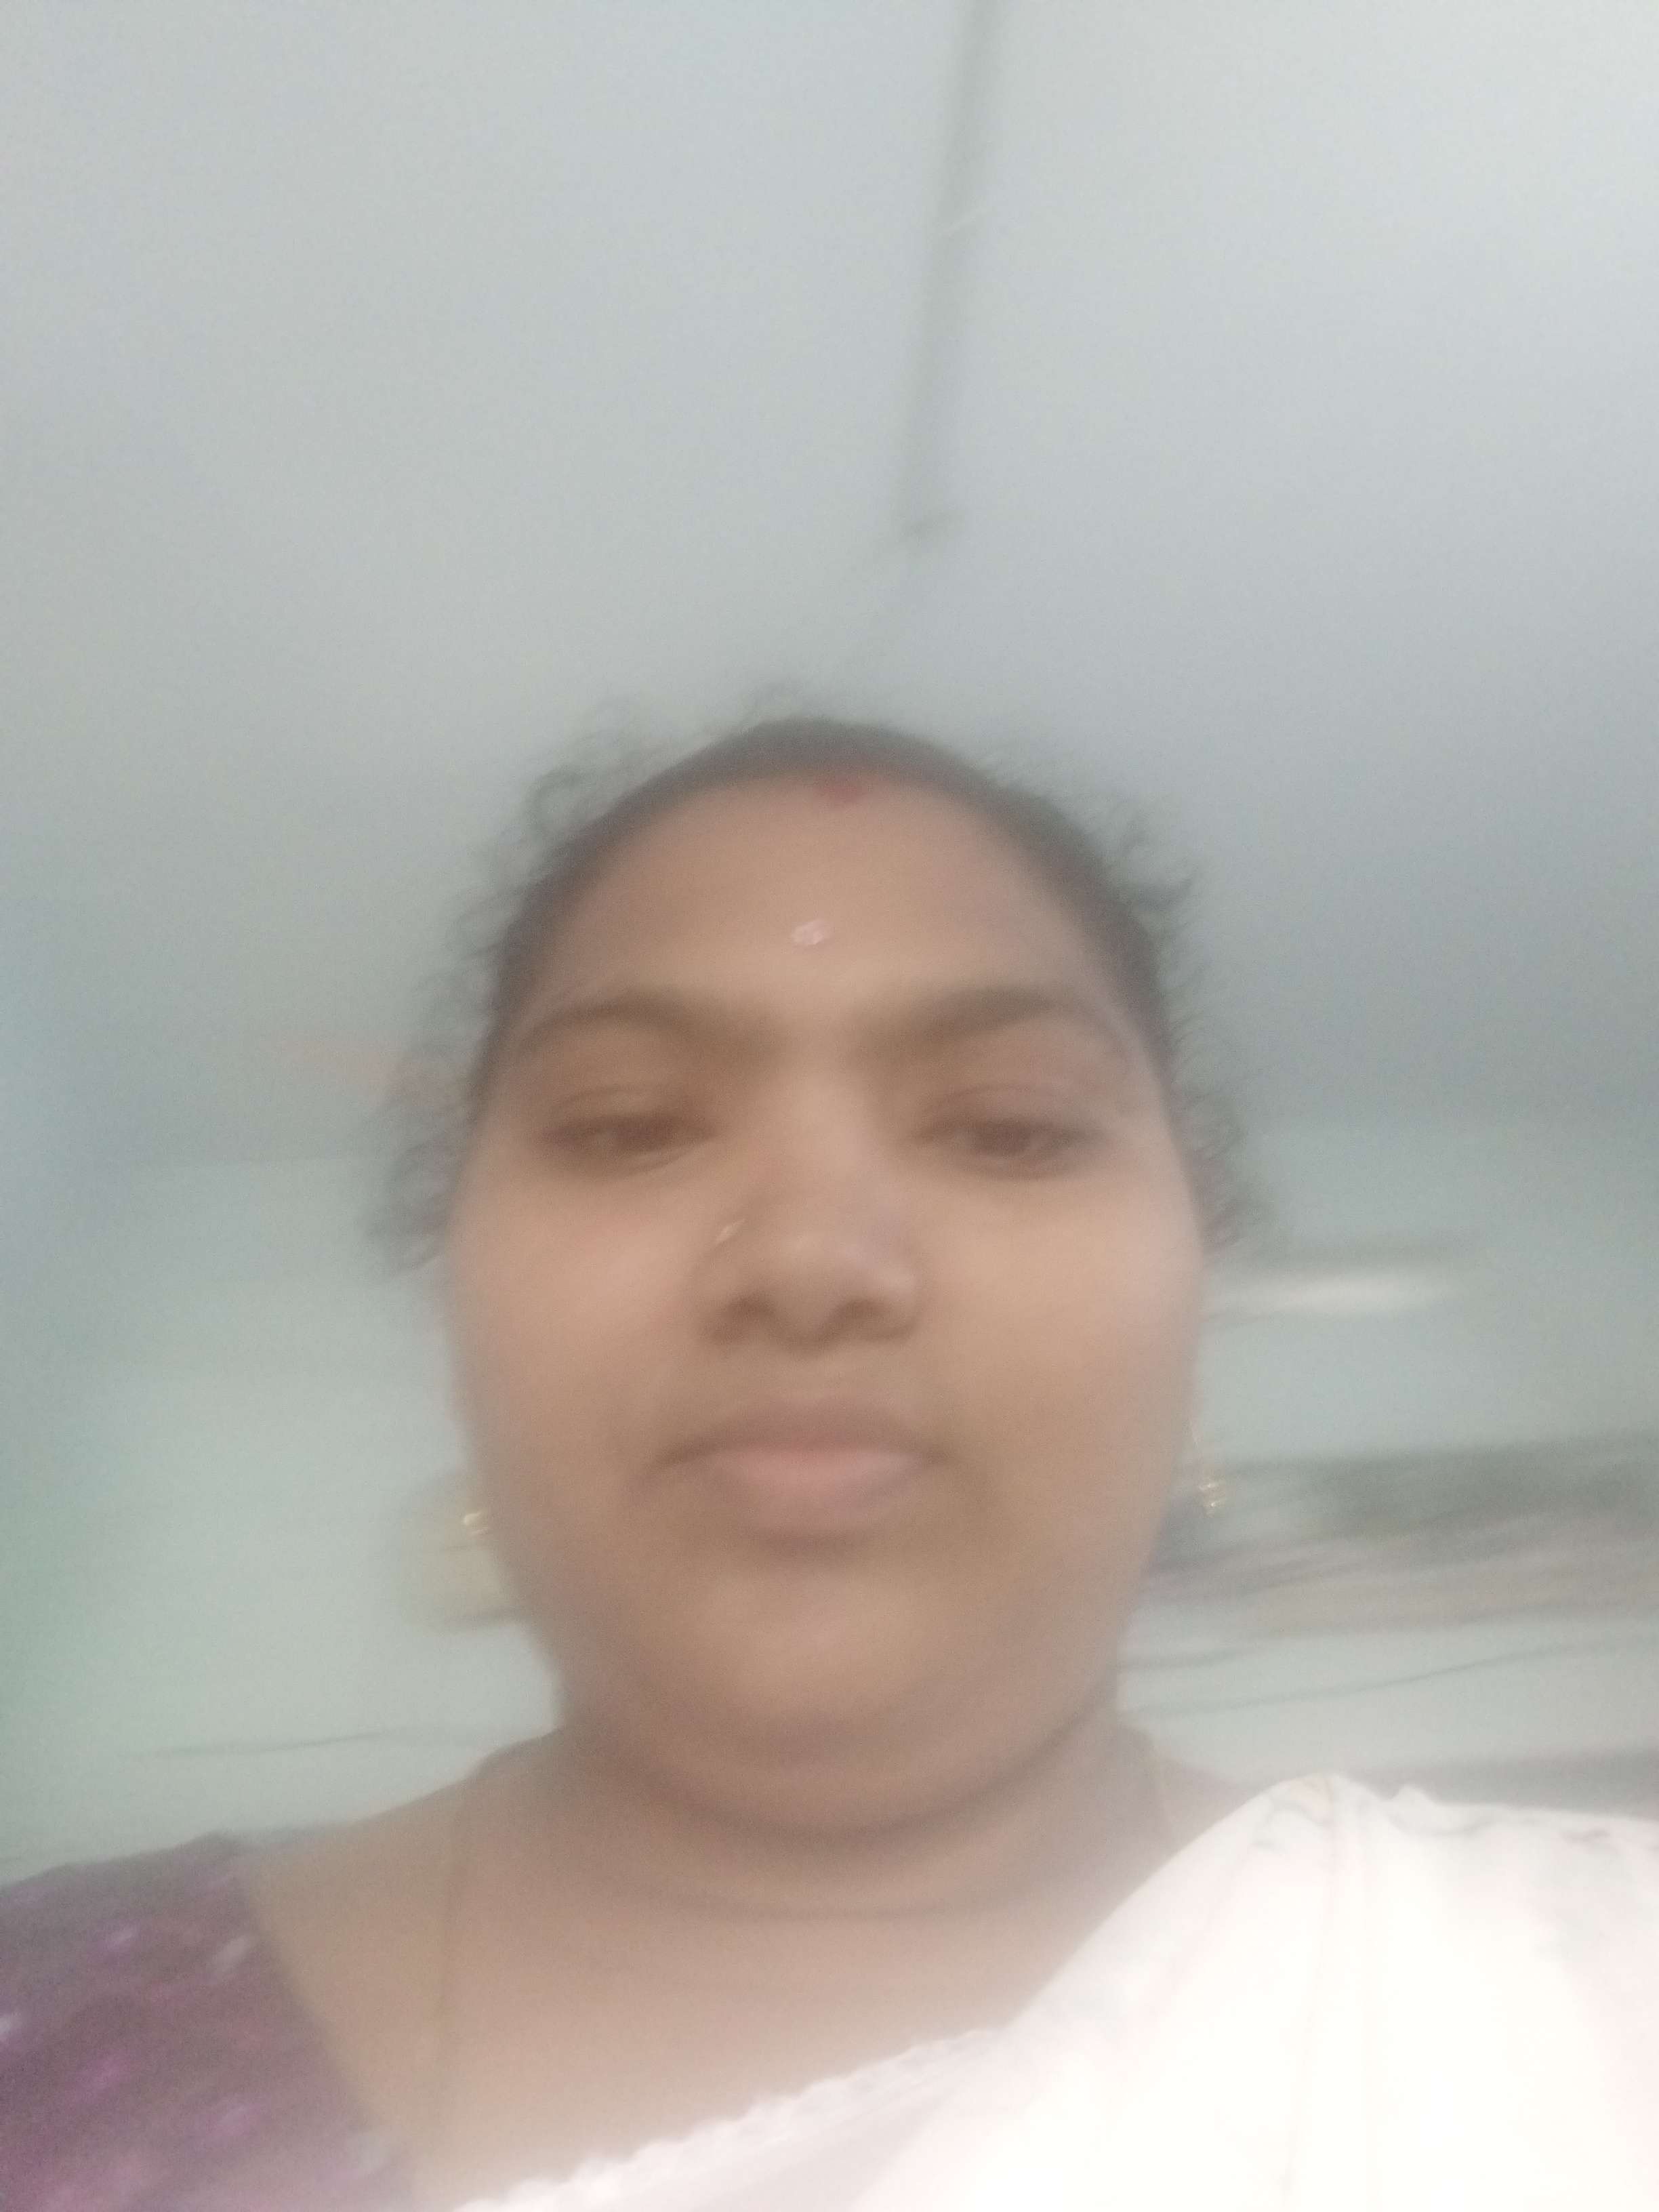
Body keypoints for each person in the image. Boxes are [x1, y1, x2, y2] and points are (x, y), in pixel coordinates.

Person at [2, 718, 1655, 2211]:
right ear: (457, 1305)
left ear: (1194, 1308)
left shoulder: (1589, 2004)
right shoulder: (51, 2025)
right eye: (627, 1123)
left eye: (1009, 1125)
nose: (810, 1254)